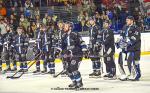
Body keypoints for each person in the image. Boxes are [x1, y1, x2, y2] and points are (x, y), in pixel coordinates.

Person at [60, 21, 87, 88]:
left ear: (70, 27)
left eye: (66, 26)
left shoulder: (75, 34)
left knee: (73, 68)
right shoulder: (64, 35)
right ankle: (74, 81)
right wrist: (58, 52)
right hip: (68, 56)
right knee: (68, 70)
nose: (64, 27)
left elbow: (82, 42)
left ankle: (79, 83)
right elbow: (62, 46)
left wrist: (85, 50)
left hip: (76, 54)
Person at [116, 16, 141, 81]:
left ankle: (136, 75)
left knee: (134, 62)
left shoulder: (136, 28)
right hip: (125, 48)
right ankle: (126, 74)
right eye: (126, 20)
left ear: (132, 20)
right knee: (122, 61)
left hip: (134, 48)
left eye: (128, 20)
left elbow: (135, 38)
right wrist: (118, 41)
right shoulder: (125, 27)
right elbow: (121, 35)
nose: (126, 21)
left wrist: (127, 42)